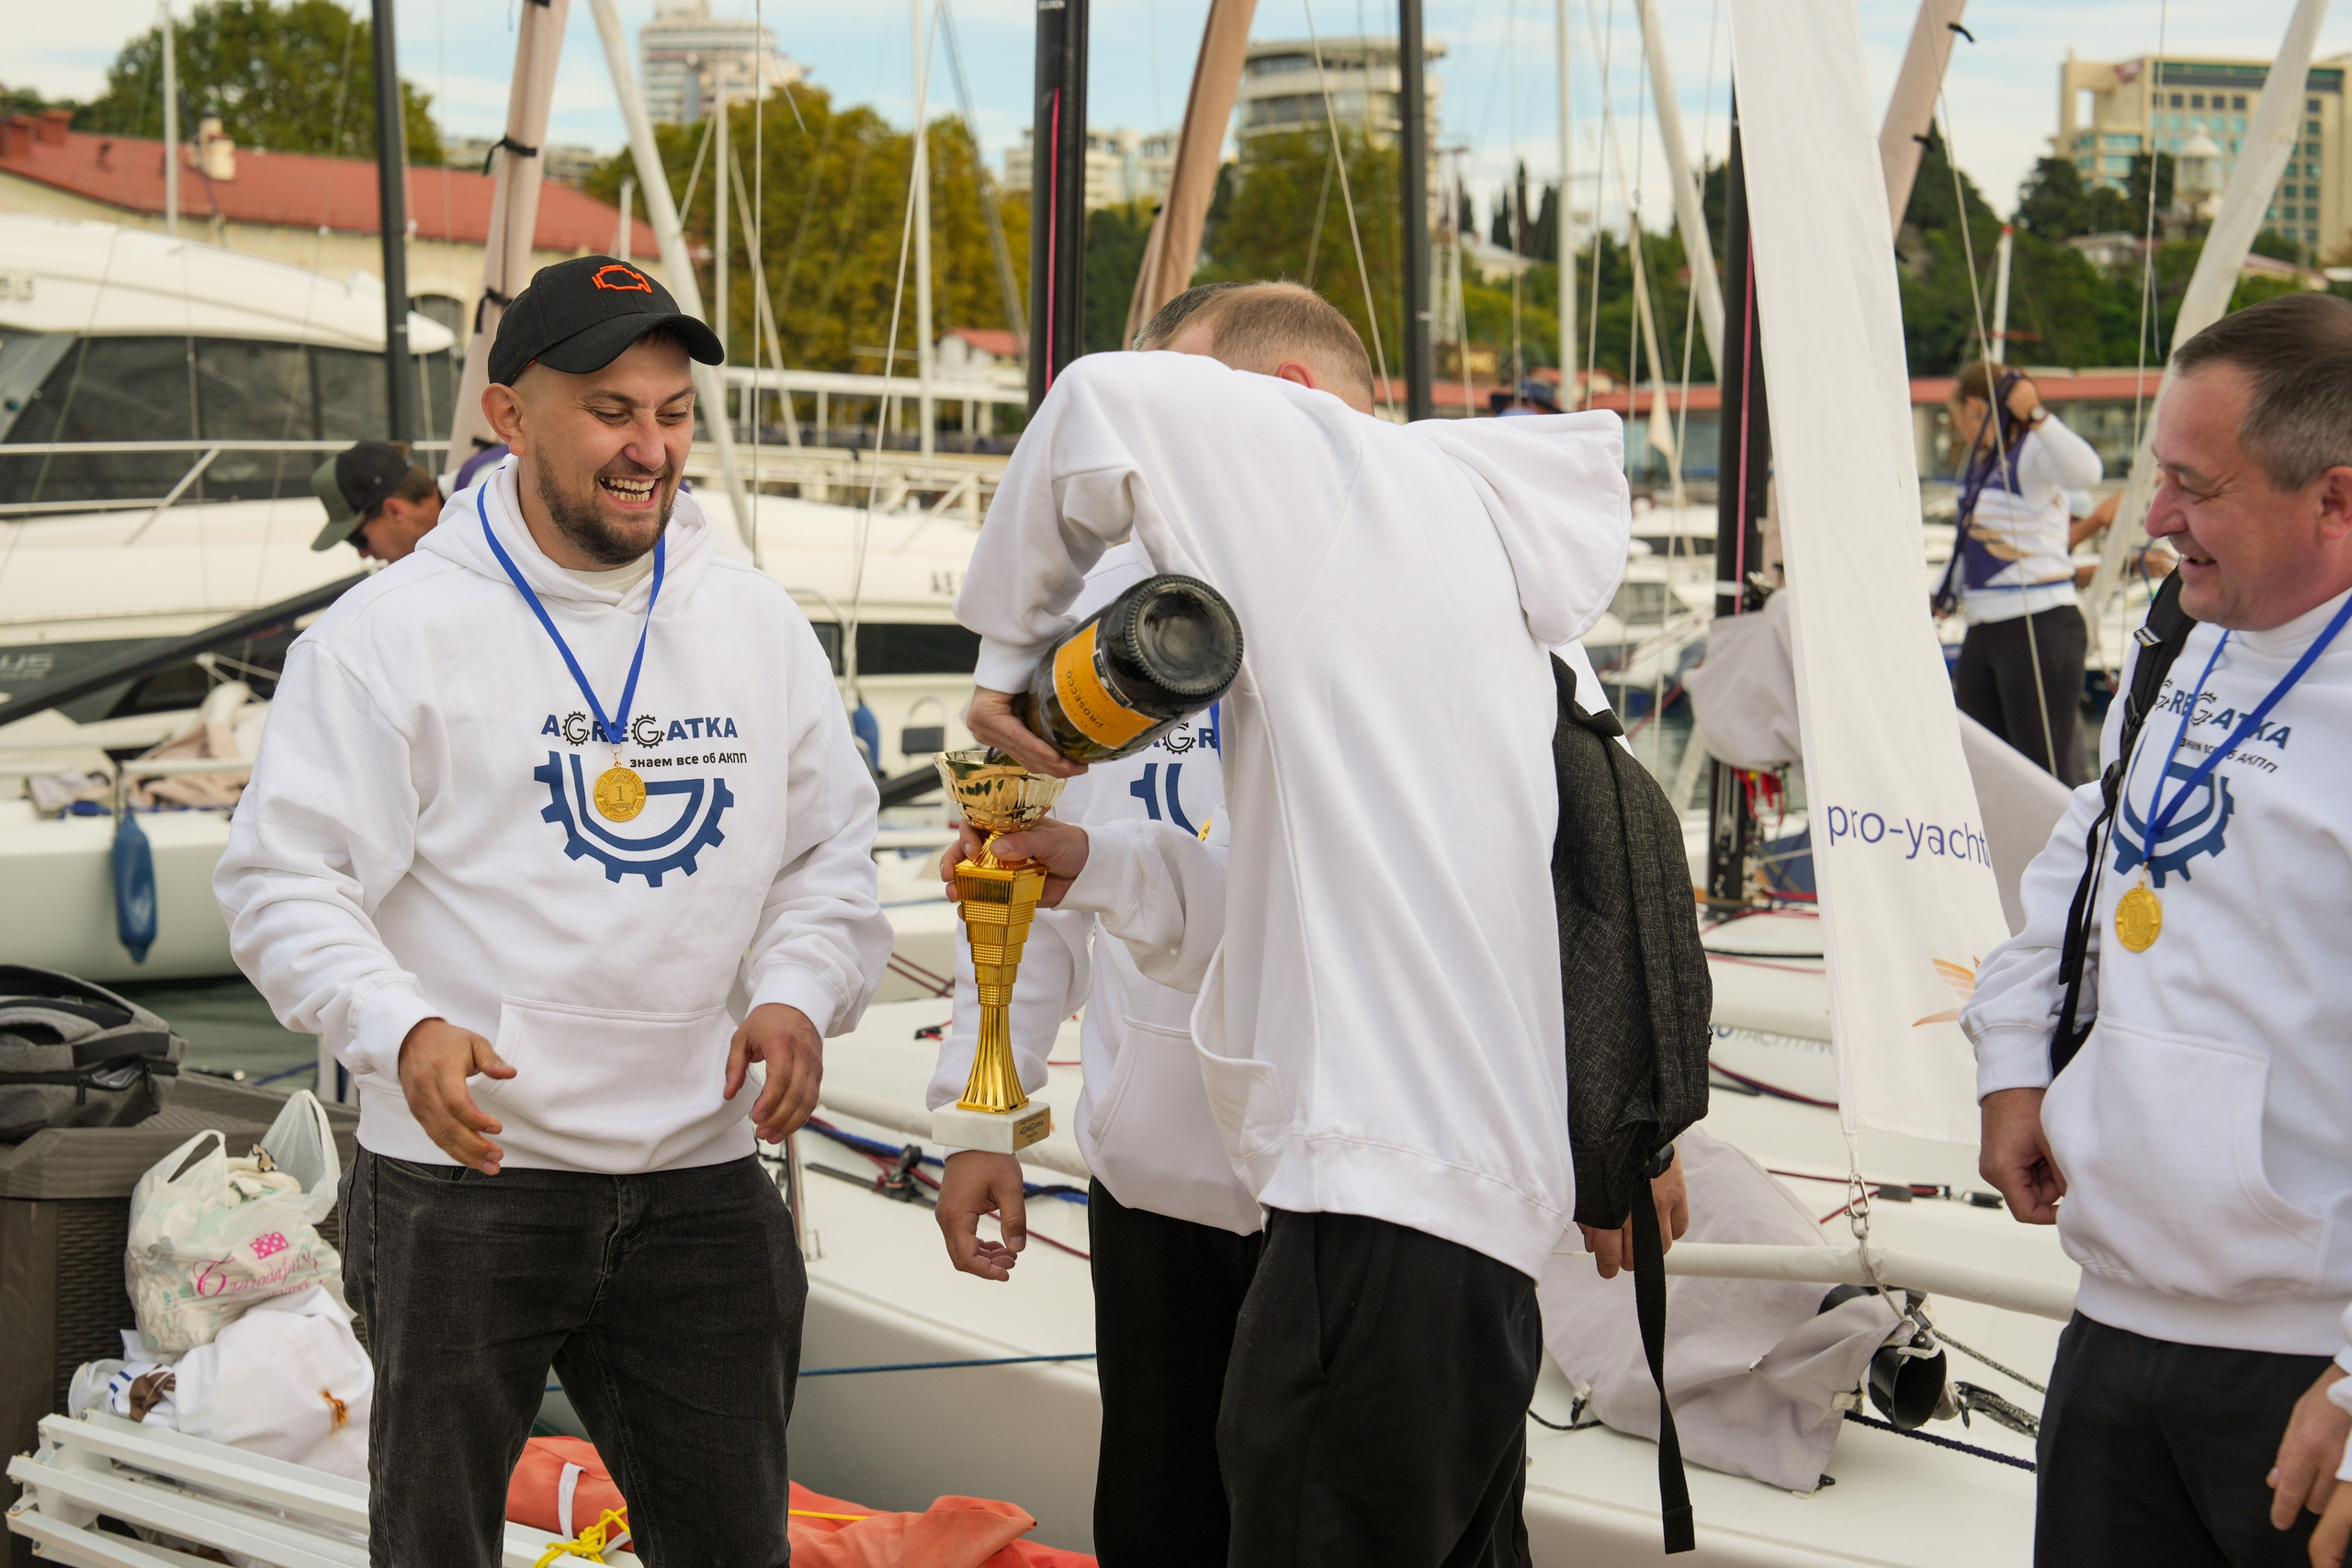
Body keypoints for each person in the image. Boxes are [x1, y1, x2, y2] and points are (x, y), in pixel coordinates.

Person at [954, 280, 1671, 1564]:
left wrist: (1004, 660)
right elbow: (1333, 909)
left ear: (1281, 415)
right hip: (1428, 1213)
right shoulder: (1483, 588)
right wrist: (1094, 881)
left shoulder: (1341, 514)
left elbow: (1096, 398)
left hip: (1364, 1205)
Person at [216, 254, 892, 1566]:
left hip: (702, 1178)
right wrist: (400, 1023)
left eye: (673, 411)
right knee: (438, 1540)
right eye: (610, 408)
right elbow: (285, 877)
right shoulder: (387, 632)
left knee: (734, 1542)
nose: (649, 447)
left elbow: (831, 852)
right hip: (469, 1184)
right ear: (510, 413)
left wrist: (802, 987)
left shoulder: (757, 626)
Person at [1962, 291, 2352, 1568]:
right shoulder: (2186, 627)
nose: (2157, 516)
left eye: (2196, 483)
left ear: (2334, 500)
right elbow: (2097, 830)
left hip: (2308, 1373)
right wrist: (2014, 1053)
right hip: (2114, 1335)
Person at [1936, 362, 2104, 784]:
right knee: (1982, 762)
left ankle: (2054, 849)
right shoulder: (1982, 466)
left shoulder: (2029, 453)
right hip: (1986, 626)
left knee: (2041, 766)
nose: (1961, 432)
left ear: (1974, 407)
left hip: (2038, 622)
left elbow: (2087, 473)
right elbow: (1967, 549)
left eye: (1959, 420)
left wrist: (2038, 415)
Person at [310, 440, 445, 562]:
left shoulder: (464, 526)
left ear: (394, 510)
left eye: (359, 540)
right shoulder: (456, 528)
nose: (363, 554)